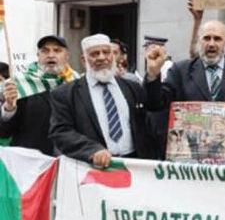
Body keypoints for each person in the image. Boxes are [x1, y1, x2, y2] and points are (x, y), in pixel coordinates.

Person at [144, 20, 225, 158]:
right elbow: (156, 104)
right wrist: (153, 74)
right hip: (189, 159)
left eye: (217, 39)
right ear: (199, 41)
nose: (211, 44)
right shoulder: (181, 70)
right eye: (206, 38)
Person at [49, 34, 158, 166]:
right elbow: (61, 132)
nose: (101, 57)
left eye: (106, 52)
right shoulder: (65, 94)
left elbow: (155, 109)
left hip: (134, 165)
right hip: (92, 167)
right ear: (84, 60)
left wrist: (153, 74)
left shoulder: (132, 87)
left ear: (113, 56)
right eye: (94, 54)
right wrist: (92, 150)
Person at [0, 35, 78, 155]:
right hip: (30, 161)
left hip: (70, 159)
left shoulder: (77, 84)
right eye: (45, 51)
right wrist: (9, 108)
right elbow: (3, 132)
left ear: (67, 55)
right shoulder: (21, 84)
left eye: (57, 50)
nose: (51, 55)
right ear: (38, 55)